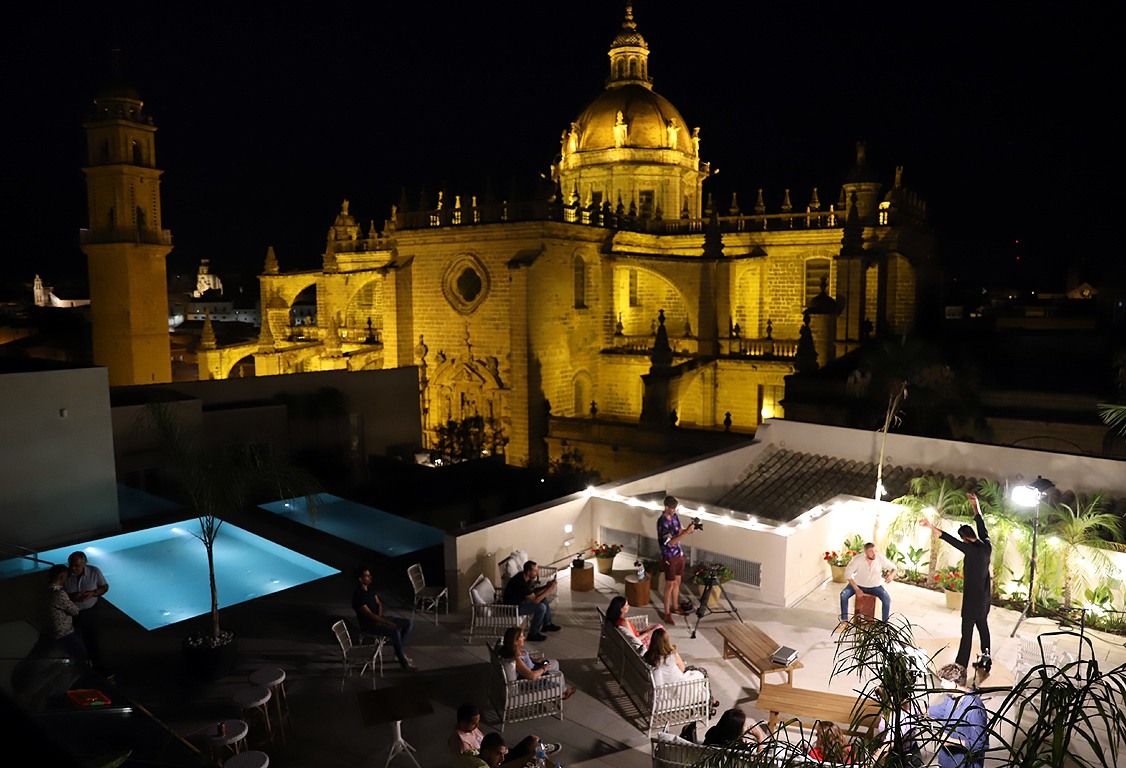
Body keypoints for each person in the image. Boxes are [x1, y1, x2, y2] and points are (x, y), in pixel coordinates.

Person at [921, 493, 992, 668]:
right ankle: (986, 659)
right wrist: (976, 505)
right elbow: (980, 522)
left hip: (971, 601)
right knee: (983, 629)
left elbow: (946, 537)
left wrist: (930, 525)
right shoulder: (986, 545)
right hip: (984, 599)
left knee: (966, 634)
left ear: (965, 538)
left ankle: (961, 665)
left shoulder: (969, 550)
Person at [351, 566, 416, 670]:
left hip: (380, 619)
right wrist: (386, 622)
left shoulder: (370, 590)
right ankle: (403, 662)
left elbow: (379, 603)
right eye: (367, 576)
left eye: (369, 575)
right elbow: (370, 615)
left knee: (408, 623)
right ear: (360, 579)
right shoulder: (358, 597)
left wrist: (381, 617)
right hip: (370, 625)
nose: (370, 577)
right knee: (395, 631)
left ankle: (398, 651)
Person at [448, 702, 560, 762]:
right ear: (462, 722)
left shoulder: (470, 728)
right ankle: (541, 753)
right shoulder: (461, 742)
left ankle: (541, 751)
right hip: (496, 760)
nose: (477, 726)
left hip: (497, 752)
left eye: (478, 722)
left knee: (533, 740)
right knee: (533, 752)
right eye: (474, 723)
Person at [927, 663, 988, 768]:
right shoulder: (951, 698)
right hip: (947, 762)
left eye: (943, 681)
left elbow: (979, 745)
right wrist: (917, 710)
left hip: (963, 764)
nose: (941, 684)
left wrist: (951, 742)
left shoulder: (974, 708)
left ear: (954, 684)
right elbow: (941, 710)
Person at [498, 626, 575, 700]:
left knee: (554, 663)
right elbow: (532, 676)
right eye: (522, 637)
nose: (524, 638)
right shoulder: (516, 659)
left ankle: (555, 687)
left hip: (535, 666)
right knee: (559, 674)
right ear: (515, 641)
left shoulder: (515, 650)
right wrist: (543, 668)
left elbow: (528, 662)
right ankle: (562, 692)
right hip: (534, 679)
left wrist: (536, 660)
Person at [657, 495, 698, 624]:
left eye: (675, 508)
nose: (674, 510)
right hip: (669, 556)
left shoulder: (675, 517)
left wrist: (690, 529)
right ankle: (667, 613)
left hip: (679, 554)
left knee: (677, 582)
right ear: (666, 507)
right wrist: (685, 533)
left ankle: (675, 607)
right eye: (672, 508)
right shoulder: (662, 522)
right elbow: (671, 543)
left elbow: (680, 530)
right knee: (669, 584)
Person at [64, 551, 108, 672]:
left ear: (84, 563)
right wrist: (72, 596)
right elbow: (57, 591)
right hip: (72, 612)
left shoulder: (94, 571)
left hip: (90, 610)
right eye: (71, 565)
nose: (73, 568)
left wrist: (93, 593)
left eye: (76, 566)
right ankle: (79, 667)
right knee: (75, 640)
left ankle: (96, 666)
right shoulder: (65, 574)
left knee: (92, 638)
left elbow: (104, 587)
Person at [837, 542, 896, 627]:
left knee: (887, 599)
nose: (874, 553)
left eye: (875, 551)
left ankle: (884, 624)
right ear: (865, 552)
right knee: (843, 595)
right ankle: (844, 621)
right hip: (858, 585)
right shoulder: (857, 559)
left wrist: (891, 575)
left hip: (875, 586)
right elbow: (847, 574)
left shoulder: (880, 558)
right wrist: (857, 589)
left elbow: (894, 568)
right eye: (871, 551)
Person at [502, 560, 560, 641]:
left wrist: (546, 587)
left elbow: (533, 592)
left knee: (543, 599)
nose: (537, 572)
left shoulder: (525, 577)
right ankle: (533, 634)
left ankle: (547, 624)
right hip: (513, 608)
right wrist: (549, 590)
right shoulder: (521, 582)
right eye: (535, 570)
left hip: (521, 602)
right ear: (529, 571)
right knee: (541, 607)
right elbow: (535, 600)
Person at [46, 564, 88, 664]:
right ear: (61, 576)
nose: (67, 579)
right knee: (81, 656)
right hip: (64, 633)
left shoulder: (47, 590)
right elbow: (74, 610)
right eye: (66, 576)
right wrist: (75, 599)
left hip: (51, 631)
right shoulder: (59, 593)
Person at [703, 707, 769, 748]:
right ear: (736, 730)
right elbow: (757, 761)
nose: (746, 725)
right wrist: (759, 737)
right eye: (743, 724)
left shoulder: (712, 732)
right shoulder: (739, 747)